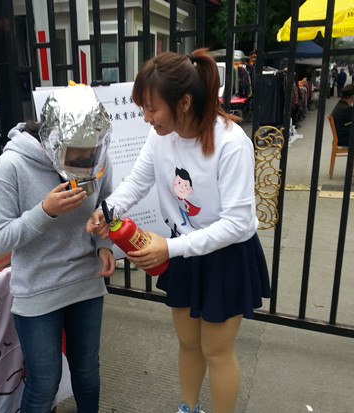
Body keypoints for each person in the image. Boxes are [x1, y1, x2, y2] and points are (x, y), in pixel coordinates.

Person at [87, 49, 271, 413]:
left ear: (184, 102)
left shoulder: (231, 142)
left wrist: (170, 249)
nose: (146, 118)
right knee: (188, 343)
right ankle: (188, 407)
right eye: (142, 108)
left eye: (152, 109)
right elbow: (137, 181)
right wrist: (107, 211)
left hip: (225, 255)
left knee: (216, 351)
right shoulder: (161, 136)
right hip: (184, 250)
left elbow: (237, 224)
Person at [0, 84, 115, 413]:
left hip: (86, 282)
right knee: (44, 382)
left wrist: (103, 244)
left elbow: (106, 207)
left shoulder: (98, 157)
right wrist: (45, 211)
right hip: (37, 289)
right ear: (53, 138)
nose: (85, 161)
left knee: (87, 370)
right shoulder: (12, 165)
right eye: (76, 154)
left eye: (91, 153)